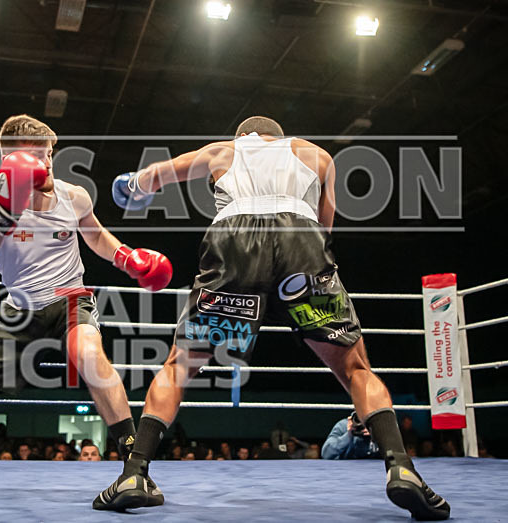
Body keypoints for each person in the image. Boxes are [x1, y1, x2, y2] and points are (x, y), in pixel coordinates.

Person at [94, 116, 450, 520]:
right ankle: (401, 468)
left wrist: (132, 186)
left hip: (233, 242)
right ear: (278, 136)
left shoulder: (223, 150)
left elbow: (156, 175)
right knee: (355, 368)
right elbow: (325, 228)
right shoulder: (318, 156)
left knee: (180, 366)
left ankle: (134, 474)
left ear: (244, 136)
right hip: (303, 242)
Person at [0, 114, 171, 507]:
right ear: (10, 159)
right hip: (19, 309)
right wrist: (8, 206)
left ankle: (134, 468)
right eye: (37, 156)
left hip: (70, 297)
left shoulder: (73, 195)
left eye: (50, 154)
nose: (47, 163)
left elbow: (95, 235)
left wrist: (126, 257)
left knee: (88, 355)